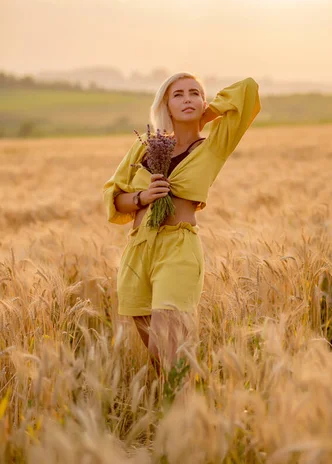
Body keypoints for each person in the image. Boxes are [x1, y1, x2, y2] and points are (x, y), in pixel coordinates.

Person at [103, 73, 261, 372]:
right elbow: (115, 196)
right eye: (178, 95)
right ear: (166, 104)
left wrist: (203, 115)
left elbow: (248, 90)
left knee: (169, 343)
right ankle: (170, 413)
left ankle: (184, 412)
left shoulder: (213, 146)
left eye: (194, 93)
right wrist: (143, 196)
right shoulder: (144, 147)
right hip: (138, 250)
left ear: (203, 100)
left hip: (179, 248)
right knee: (159, 359)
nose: (187, 99)